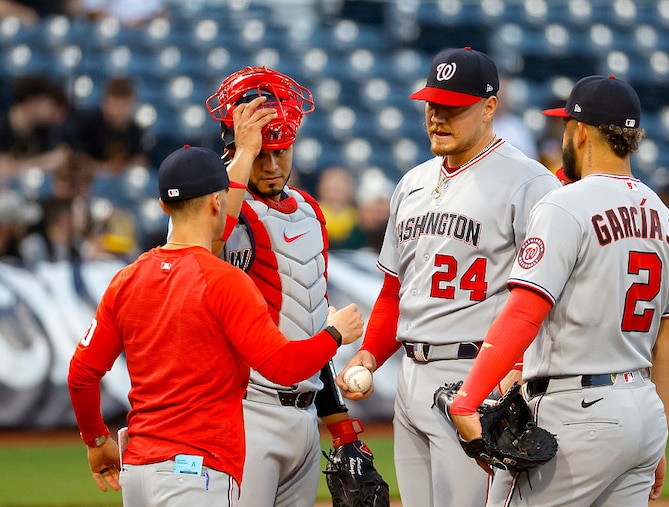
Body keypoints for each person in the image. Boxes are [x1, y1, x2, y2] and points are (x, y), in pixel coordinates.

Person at [67, 142, 364, 506]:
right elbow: (284, 367)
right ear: (217, 202)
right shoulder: (224, 280)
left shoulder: (127, 279)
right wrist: (336, 334)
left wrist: (96, 441)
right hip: (196, 471)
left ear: (163, 206)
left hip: (139, 470)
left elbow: (81, 375)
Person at [449, 75, 669, 506]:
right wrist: (657, 437)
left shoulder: (565, 205)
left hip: (576, 411)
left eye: (565, 126)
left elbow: (525, 312)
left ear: (580, 132)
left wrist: (467, 400)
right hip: (641, 409)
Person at [335, 47, 561, 507]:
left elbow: (544, 295)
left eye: (453, 108)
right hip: (410, 379)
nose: (438, 117)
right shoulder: (411, 183)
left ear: (489, 107)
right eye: (432, 105)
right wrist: (369, 356)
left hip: (474, 377)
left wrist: (516, 372)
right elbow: (396, 291)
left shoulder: (529, 183)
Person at [205, 66, 387, 507]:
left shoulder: (309, 211)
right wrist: (241, 156)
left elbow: (306, 323)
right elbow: (211, 240)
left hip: (304, 416)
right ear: (234, 149)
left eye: (280, 152)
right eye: (259, 154)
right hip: (244, 410)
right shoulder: (221, 208)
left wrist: (340, 426)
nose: (271, 166)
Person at [71, 77, 150, 176]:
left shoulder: (136, 131)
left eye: (124, 105)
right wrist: (105, 169)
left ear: (132, 104)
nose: (119, 110)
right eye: (116, 103)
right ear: (105, 103)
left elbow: (140, 161)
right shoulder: (88, 125)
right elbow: (76, 159)